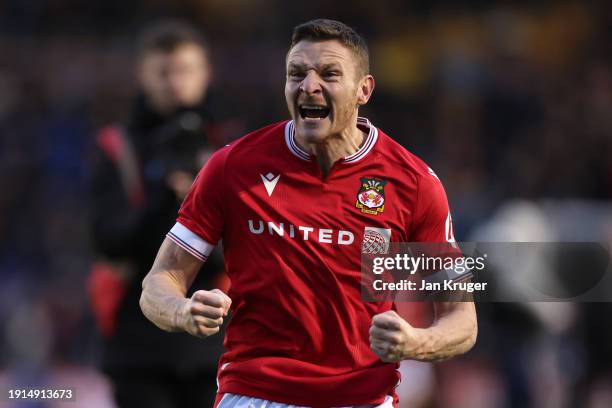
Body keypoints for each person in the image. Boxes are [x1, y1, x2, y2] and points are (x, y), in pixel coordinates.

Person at [140, 19, 477, 407]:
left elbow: (462, 321)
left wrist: (417, 341)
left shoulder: (414, 183)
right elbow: (158, 283)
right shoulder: (233, 167)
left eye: (329, 74)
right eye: (296, 74)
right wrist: (183, 311)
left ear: (363, 90)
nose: (309, 86)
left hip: (361, 399)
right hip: (255, 395)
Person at [89, 20, 231, 408]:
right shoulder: (117, 148)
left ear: (205, 74)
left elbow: (248, 247)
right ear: (143, 75)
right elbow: (108, 242)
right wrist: (164, 198)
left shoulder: (232, 150)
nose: (174, 82)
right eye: (163, 72)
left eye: (184, 70)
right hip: (138, 349)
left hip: (214, 345)